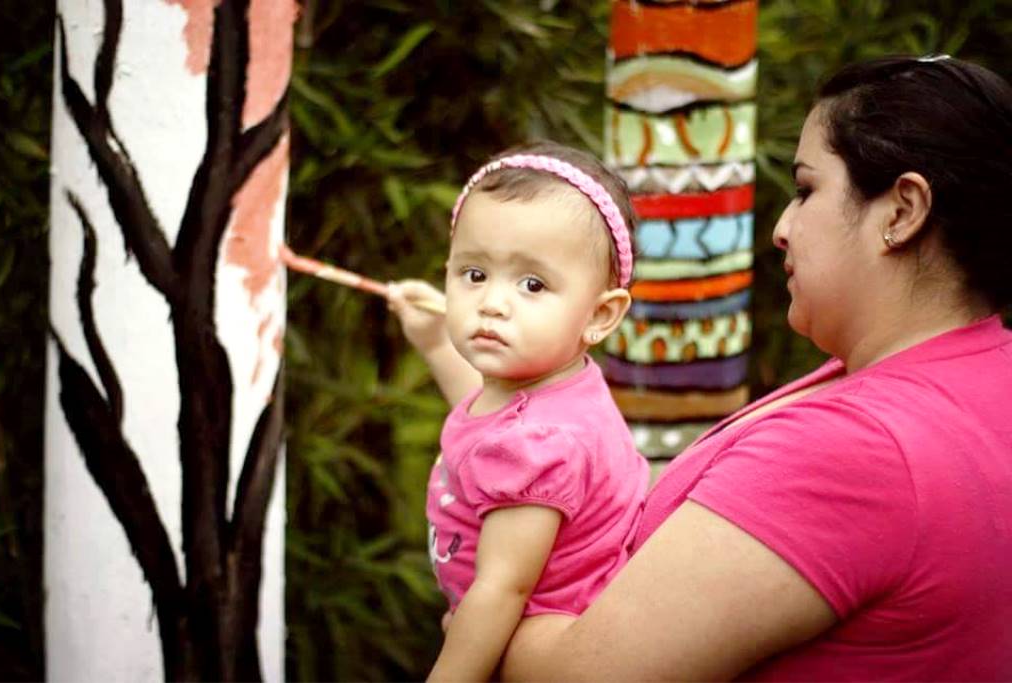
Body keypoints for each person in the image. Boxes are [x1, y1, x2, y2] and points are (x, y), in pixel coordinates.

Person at [485, 55, 1012, 681]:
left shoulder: (858, 450)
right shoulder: (976, 377)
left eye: (807, 189)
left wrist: (491, 606)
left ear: (901, 211)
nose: (782, 229)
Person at [388, 141, 650, 681]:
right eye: (474, 274)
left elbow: (504, 587)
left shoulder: (541, 444)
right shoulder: (552, 389)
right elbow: (486, 417)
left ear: (600, 315)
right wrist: (437, 344)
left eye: (532, 284)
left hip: (538, 653)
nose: (492, 302)